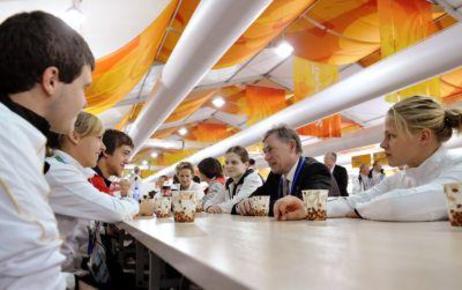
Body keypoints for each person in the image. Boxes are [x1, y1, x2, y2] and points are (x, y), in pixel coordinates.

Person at [0, 11, 94, 290]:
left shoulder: (17, 135)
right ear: (51, 79)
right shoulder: (9, 144)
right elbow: (31, 281)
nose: (85, 101)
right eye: (84, 87)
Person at [275, 96, 462, 222]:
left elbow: (398, 205)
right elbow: (358, 199)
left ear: (423, 137)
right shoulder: (400, 179)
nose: (383, 144)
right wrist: (307, 207)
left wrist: (361, 211)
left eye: (391, 136)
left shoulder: (458, 167)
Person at [45, 112, 139, 274]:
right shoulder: (59, 172)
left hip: (74, 268)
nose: (103, 147)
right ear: (74, 136)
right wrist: (132, 201)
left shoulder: (76, 172)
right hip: (62, 275)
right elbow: (116, 211)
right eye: (98, 138)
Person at [235, 125, 332, 217]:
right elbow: (253, 199)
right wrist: (242, 205)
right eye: (265, 152)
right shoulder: (274, 176)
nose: (266, 157)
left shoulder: (315, 170)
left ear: (291, 146)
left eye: (270, 149)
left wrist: (256, 205)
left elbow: (306, 207)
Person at [205, 147, 262, 213]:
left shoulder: (253, 179)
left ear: (246, 165)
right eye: (226, 163)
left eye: (234, 162)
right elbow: (212, 201)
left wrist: (218, 208)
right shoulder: (229, 182)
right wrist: (209, 207)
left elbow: (237, 202)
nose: (229, 166)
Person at [89, 129, 134, 195]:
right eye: (125, 153)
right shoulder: (91, 183)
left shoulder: (104, 185)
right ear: (106, 151)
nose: (127, 161)